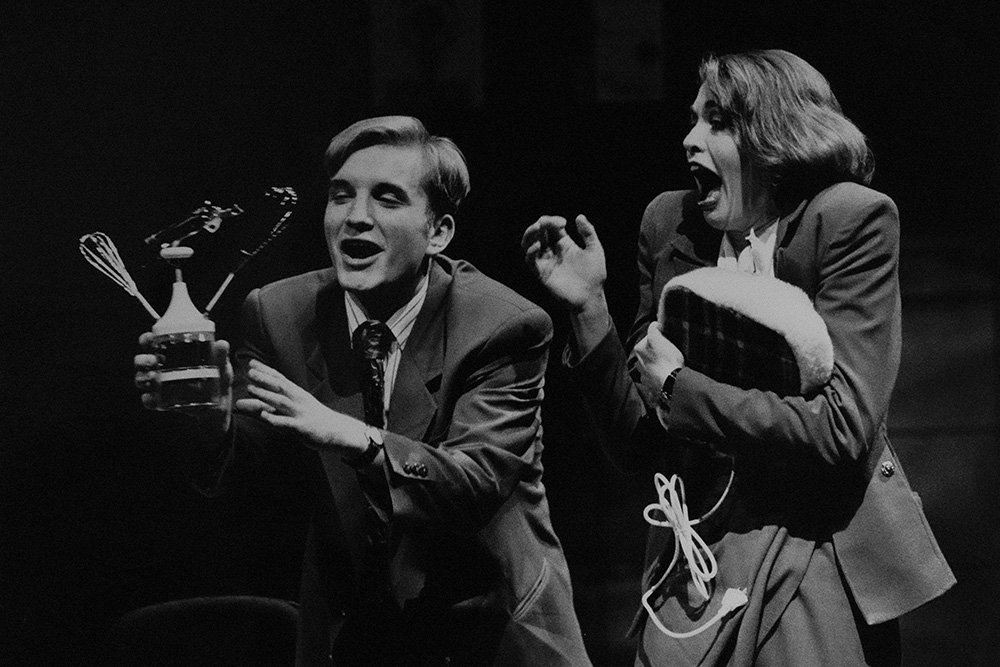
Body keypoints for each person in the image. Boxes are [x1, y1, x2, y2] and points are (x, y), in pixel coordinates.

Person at [522, 49, 955, 666]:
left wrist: (680, 390)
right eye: (694, 119)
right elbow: (640, 445)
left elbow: (841, 429)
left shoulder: (849, 220)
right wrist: (588, 308)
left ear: (776, 138)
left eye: (717, 122)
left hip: (812, 548)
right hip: (695, 561)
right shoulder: (668, 223)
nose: (689, 138)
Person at [135, 116, 592, 667]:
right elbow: (240, 478)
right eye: (341, 196)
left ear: (439, 231)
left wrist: (353, 436)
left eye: (388, 199)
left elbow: (473, 482)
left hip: (488, 632)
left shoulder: (502, 326)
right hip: (355, 638)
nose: (356, 218)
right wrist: (203, 415)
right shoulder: (279, 314)